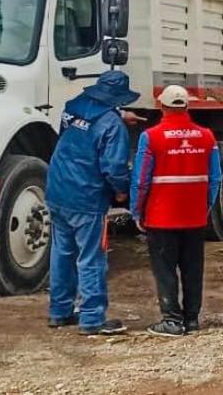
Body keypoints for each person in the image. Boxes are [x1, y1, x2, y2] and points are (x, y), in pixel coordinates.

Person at [46, 70, 136, 334]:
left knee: (62, 253)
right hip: (87, 196)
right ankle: (92, 319)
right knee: (91, 257)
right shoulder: (113, 125)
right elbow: (115, 168)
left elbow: (83, 127)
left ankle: (59, 311)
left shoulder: (72, 107)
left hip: (58, 188)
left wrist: (118, 115)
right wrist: (121, 191)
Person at [130, 85, 222, 338]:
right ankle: (192, 320)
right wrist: (205, 207)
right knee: (193, 268)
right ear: (187, 106)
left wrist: (137, 211)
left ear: (162, 106)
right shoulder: (206, 136)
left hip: (161, 218)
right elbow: (215, 179)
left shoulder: (151, 136)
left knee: (165, 269)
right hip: (194, 217)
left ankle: (171, 320)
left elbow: (141, 179)